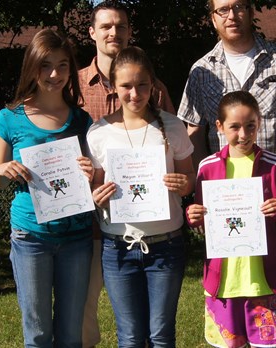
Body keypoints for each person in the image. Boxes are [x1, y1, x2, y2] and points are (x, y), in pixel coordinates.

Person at [77, 2, 176, 346]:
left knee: (153, 330)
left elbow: (171, 149)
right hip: (90, 226)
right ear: (92, 32)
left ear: (129, 31)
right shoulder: (72, 86)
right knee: (86, 314)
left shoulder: (157, 89)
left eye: (120, 26)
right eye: (105, 26)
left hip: (149, 225)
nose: (113, 32)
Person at [0, 28, 95, 347]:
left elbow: (92, 177)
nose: (55, 74)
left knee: (70, 332)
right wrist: (4, 169)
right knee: (36, 333)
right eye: (46, 65)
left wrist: (91, 172)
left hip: (77, 237)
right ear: (31, 67)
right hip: (30, 237)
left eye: (63, 65)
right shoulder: (9, 118)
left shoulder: (81, 120)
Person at [86, 46, 195, 348]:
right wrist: (99, 196)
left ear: (153, 84)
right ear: (113, 86)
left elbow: (190, 180)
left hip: (166, 246)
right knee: (130, 338)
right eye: (126, 86)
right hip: (118, 248)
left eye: (142, 84)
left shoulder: (172, 126)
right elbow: (94, 192)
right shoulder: (98, 132)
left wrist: (182, 184)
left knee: (161, 336)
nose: (135, 93)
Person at [186, 91, 276, 348]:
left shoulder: (275, 166)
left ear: (259, 122)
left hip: (262, 279)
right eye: (235, 127)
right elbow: (203, 221)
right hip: (224, 281)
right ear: (219, 127)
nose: (244, 134)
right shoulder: (208, 168)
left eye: (250, 126)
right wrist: (193, 217)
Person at [178, 0, 276, 167]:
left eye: (238, 7)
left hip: (275, 181)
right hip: (225, 186)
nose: (232, 16)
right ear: (213, 20)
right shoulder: (201, 71)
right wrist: (206, 178)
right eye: (223, 10)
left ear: (251, 13)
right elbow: (194, 131)